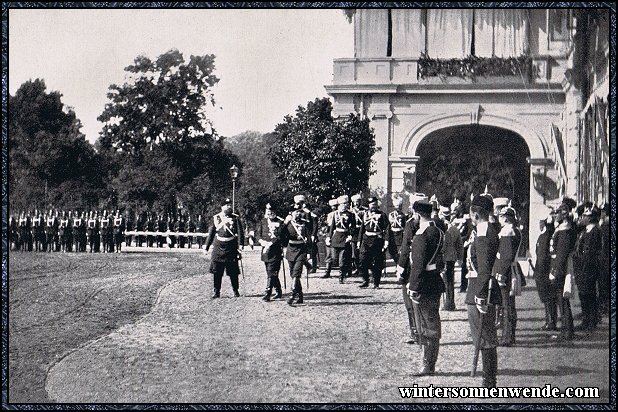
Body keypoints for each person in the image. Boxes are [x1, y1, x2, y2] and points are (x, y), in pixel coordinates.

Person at [406, 198, 445, 376]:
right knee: (432, 322)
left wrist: (413, 286)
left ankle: (427, 365)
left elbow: (418, 264)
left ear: (417, 215)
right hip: (435, 280)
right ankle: (430, 363)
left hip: (424, 284)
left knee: (427, 325)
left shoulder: (422, 234)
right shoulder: (439, 231)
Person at [466, 194, 501, 388]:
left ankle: (489, 380)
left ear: (476, 213)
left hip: (481, 289)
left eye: (471, 212)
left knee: (486, 337)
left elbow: (485, 267)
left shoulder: (483, 232)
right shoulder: (484, 230)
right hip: (478, 286)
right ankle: (488, 378)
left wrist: (480, 294)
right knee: (484, 336)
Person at [396, 193, 424, 344]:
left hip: (411, 268)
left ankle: (415, 332)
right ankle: (421, 332)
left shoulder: (410, 224)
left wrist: (400, 267)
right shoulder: (434, 225)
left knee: (409, 303)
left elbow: (406, 248)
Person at [548, 198, 578, 340]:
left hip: (561, 268)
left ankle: (567, 331)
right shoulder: (562, 229)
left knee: (562, 300)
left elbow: (561, 254)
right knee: (562, 300)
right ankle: (566, 329)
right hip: (560, 266)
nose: (556, 215)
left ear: (563, 215)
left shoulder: (565, 231)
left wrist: (555, 271)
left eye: (558, 213)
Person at [493, 206, 522, 346]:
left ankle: (507, 337)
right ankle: (510, 335)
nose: (499, 219)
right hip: (510, 270)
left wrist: (501, 274)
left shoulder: (507, 231)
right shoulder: (514, 231)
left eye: (500, 217)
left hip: (506, 272)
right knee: (509, 305)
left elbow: (506, 256)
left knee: (506, 306)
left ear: (505, 218)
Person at [205, 198, 245, 298]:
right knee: (217, 271)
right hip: (218, 247)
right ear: (222, 207)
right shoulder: (216, 218)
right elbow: (211, 233)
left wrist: (241, 245)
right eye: (226, 205)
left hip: (231, 247)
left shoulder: (235, 218)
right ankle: (216, 291)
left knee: (233, 272)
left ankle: (235, 290)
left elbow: (240, 232)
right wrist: (206, 247)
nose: (229, 206)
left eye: (229, 204)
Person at [572, 204, 602, 332]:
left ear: (591, 218)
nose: (582, 218)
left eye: (585, 216)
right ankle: (586, 320)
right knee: (583, 294)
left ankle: (591, 321)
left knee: (589, 294)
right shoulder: (585, 230)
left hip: (589, 267)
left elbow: (590, 253)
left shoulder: (595, 231)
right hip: (582, 267)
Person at [281, 203, 312, 305]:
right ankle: (300, 296)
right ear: (291, 213)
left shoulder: (305, 223)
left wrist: (309, 253)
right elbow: (280, 235)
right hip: (291, 249)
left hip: (301, 250)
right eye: (295, 212)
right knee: (293, 274)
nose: (297, 214)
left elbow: (309, 240)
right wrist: (285, 223)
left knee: (296, 273)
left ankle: (293, 294)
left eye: (299, 212)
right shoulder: (288, 224)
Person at [532, 213, 557, 330]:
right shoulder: (547, 235)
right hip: (544, 270)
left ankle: (550, 321)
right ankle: (550, 320)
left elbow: (542, 256)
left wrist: (539, 272)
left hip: (543, 271)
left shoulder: (545, 236)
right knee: (548, 298)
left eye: (541, 222)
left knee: (547, 297)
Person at [358, 196, 389, 289]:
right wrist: (359, 241)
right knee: (362, 260)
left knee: (377, 262)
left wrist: (386, 241)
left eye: (375, 204)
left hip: (377, 240)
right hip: (366, 240)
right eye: (371, 204)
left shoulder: (382, 215)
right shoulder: (365, 214)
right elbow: (362, 229)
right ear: (369, 205)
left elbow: (387, 228)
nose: (373, 206)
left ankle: (376, 283)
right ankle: (365, 280)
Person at [326, 195, 357, 284]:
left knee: (342, 259)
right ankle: (345, 269)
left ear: (347, 204)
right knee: (334, 258)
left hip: (345, 237)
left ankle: (341, 276)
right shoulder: (335, 214)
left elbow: (353, 227)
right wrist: (329, 237)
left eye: (345, 203)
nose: (343, 205)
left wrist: (350, 236)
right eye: (341, 204)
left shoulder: (350, 214)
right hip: (336, 237)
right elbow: (332, 227)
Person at [257, 204, 285, 301]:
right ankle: (278, 290)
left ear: (275, 211)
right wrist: (262, 242)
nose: (269, 212)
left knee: (271, 271)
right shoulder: (263, 221)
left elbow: (281, 237)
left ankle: (268, 292)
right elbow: (258, 235)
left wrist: (270, 244)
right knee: (271, 272)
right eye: (268, 210)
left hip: (275, 251)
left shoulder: (280, 222)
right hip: (265, 251)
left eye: (271, 210)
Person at [442, 209, 463, 311]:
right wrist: (460, 257)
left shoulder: (442, 228)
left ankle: (447, 303)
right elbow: (459, 245)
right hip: (452, 258)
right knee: (450, 281)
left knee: (445, 281)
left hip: (444, 257)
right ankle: (451, 303)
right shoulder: (454, 229)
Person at [321, 198, 339, 278]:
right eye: (332, 206)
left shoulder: (341, 214)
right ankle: (327, 271)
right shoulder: (330, 215)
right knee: (329, 252)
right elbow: (329, 226)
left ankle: (346, 270)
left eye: (335, 206)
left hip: (340, 233)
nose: (334, 208)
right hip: (331, 234)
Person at [350, 194, 366, 276]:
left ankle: (362, 268)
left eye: (358, 201)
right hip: (354, 233)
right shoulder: (351, 211)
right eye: (355, 202)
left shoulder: (365, 210)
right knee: (354, 253)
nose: (356, 203)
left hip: (362, 232)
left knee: (362, 252)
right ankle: (357, 268)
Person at [387, 196, 406, 264]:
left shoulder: (403, 216)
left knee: (399, 252)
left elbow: (404, 226)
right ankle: (397, 263)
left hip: (400, 235)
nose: (398, 207)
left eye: (400, 206)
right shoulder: (391, 215)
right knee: (392, 251)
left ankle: (398, 265)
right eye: (397, 206)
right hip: (392, 235)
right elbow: (388, 227)